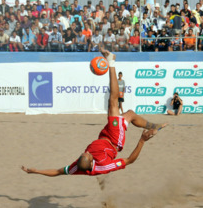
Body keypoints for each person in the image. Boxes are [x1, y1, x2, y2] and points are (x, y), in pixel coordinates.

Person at [22, 49, 167, 176]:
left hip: (104, 135)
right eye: (88, 154)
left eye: (84, 153)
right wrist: (142, 141)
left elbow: (58, 172)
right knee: (113, 102)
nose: (87, 152)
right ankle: (111, 62)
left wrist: (36, 171)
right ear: (92, 161)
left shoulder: (77, 167)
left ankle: (154, 126)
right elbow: (129, 160)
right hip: (114, 140)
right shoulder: (104, 166)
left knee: (129, 114)